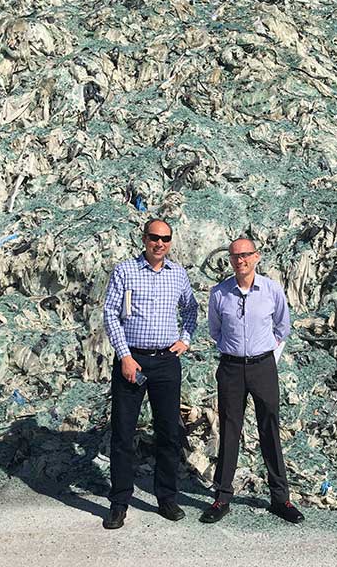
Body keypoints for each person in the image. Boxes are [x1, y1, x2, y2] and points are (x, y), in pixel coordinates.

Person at [101, 218, 199, 529]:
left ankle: (166, 497)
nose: (160, 243)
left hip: (167, 363)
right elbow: (110, 314)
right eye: (154, 237)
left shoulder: (178, 274)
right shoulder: (126, 271)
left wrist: (185, 339)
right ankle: (119, 502)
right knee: (123, 433)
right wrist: (125, 356)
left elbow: (191, 309)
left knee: (169, 432)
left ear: (171, 242)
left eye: (166, 238)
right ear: (144, 239)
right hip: (133, 361)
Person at [200, 237, 304, 524]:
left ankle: (281, 498)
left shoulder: (271, 290)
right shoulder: (220, 293)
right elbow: (215, 330)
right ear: (230, 260)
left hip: (263, 367)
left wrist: (264, 353)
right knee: (229, 430)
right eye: (235, 256)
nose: (240, 260)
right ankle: (222, 497)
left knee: (269, 429)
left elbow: (283, 326)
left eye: (246, 255)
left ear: (256, 257)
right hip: (231, 369)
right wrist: (236, 351)